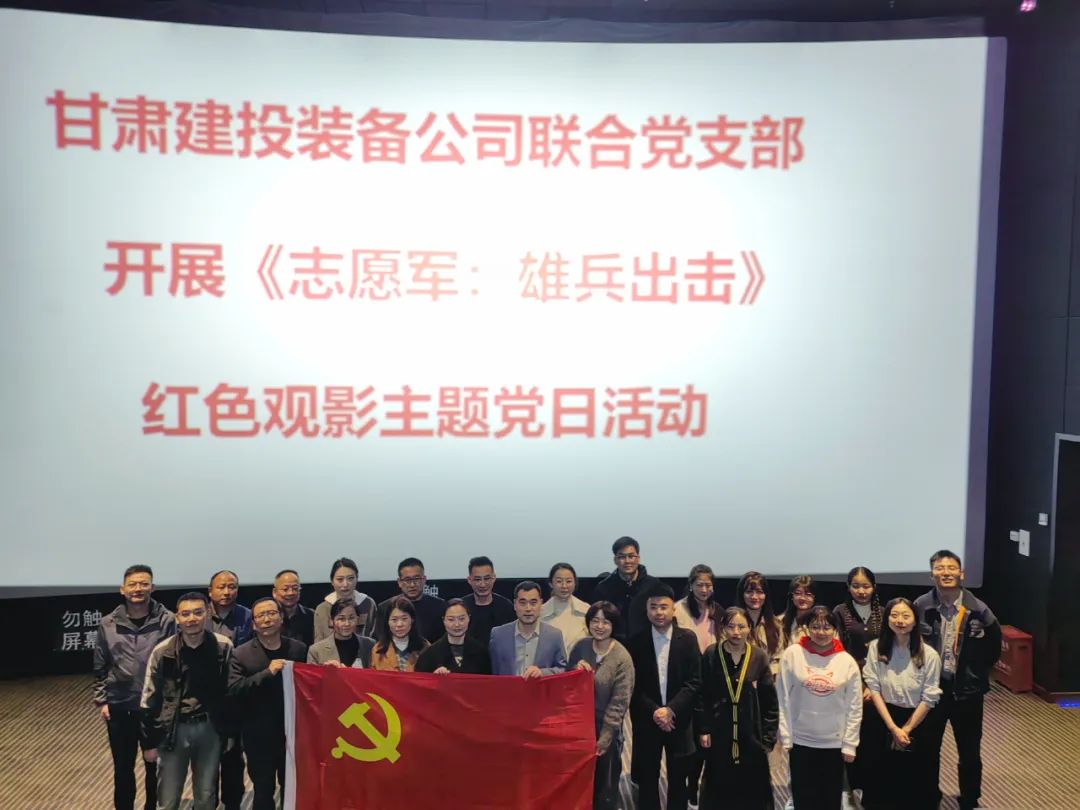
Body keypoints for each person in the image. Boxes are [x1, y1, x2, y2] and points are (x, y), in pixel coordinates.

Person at [914, 550, 1001, 810]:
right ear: (931, 574)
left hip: (967, 691)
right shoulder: (920, 606)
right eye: (940, 568)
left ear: (961, 573)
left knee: (969, 751)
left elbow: (994, 647)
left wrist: (976, 673)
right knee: (928, 749)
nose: (946, 573)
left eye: (951, 568)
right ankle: (929, 796)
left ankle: (970, 799)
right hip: (932, 690)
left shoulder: (978, 609)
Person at [93, 564, 176, 810]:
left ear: (153, 587)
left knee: (156, 767)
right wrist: (103, 701)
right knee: (123, 768)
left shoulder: (168, 620)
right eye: (133, 584)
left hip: (155, 706)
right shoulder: (108, 623)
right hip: (120, 705)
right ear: (123, 589)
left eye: (144, 584)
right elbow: (100, 664)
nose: (138, 588)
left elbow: (174, 664)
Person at [140, 592, 233, 810]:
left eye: (198, 613)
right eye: (186, 614)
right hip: (173, 729)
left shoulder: (223, 646)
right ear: (177, 617)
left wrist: (229, 732)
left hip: (210, 727)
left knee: (206, 795)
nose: (192, 619)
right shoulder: (162, 651)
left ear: (207, 613)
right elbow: (148, 698)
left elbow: (231, 692)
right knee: (168, 797)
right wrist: (149, 743)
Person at [777, 606, 862, 810]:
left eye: (827, 627)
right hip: (800, 740)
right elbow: (782, 697)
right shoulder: (793, 654)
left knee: (830, 800)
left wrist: (850, 743)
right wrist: (786, 736)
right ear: (806, 628)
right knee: (803, 799)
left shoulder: (846, 661)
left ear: (835, 630)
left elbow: (854, 705)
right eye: (815, 627)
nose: (821, 632)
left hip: (834, 743)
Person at [861, 598, 942, 810]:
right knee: (881, 778)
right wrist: (892, 727)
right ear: (887, 619)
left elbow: (929, 697)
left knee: (916, 780)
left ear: (915, 621)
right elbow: (874, 688)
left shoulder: (930, 655)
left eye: (906, 616)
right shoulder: (876, 648)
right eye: (894, 615)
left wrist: (905, 729)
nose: (900, 621)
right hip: (884, 717)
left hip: (917, 720)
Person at [627, 583, 702, 810]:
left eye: (664, 607)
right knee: (648, 778)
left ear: (673, 609)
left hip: (679, 719)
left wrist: (670, 710)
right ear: (646, 610)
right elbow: (633, 685)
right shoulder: (636, 641)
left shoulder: (687, 639)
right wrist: (656, 712)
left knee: (678, 779)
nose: (659, 612)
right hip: (647, 719)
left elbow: (694, 681)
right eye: (653, 607)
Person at [228, 597, 307, 810]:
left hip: (292, 733)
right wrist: (267, 673)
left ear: (281, 618)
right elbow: (235, 690)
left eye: (272, 613)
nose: (267, 619)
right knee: (263, 790)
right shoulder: (241, 654)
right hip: (258, 735)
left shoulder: (299, 650)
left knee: (292, 788)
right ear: (254, 624)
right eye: (261, 615)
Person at [696, 607, 777, 810]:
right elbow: (702, 694)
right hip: (719, 734)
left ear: (750, 627)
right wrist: (704, 728)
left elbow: (770, 702)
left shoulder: (758, 656)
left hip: (751, 736)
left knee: (752, 793)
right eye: (731, 626)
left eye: (741, 626)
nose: (736, 632)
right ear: (723, 628)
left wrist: (767, 739)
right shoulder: (712, 654)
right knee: (718, 789)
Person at [569, 601, 635, 810]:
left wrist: (605, 737)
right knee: (578, 785)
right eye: (595, 621)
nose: (599, 626)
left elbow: (619, 704)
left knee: (604, 788)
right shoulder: (580, 647)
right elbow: (566, 683)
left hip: (606, 731)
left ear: (614, 625)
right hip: (578, 728)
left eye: (606, 622)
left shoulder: (622, 658)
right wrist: (575, 670)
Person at [833, 566, 885, 806]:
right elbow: (838, 650)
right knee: (851, 737)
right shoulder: (839, 612)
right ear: (848, 587)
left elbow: (887, 650)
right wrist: (859, 684)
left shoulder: (883, 613)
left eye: (866, 586)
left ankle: (872, 791)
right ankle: (850, 791)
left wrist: (872, 685)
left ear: (874, 587)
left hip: (878, 685)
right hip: (849, 684)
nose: (861, 591)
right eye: (856, 586)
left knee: (874, 739)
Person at [672, 564, 719, 807]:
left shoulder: (717, 611)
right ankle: (687, 790)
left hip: (711, 680)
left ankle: (700, 789)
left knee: (707, 739)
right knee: (688, 741)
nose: (704, 589)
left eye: (708, 585)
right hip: (686, 680)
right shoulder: (677, 610)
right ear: (690, 585)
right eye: (699, 584)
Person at [205, 571, 250, 810]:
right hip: (205, 699)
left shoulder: (247, 616)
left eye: (231, 587)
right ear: (210, 591)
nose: (226, 592)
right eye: (221, 587)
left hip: (236, 698)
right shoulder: (199, 615)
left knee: (233, 757)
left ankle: (233, 803)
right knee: (207, 759)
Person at [489, 581, 568, 677]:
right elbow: (494, 672)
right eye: (523, 603)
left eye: (533, 603)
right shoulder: (498, 635)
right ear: (515, 605)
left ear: (541, 604)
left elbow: (564, 669)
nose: (528, 608)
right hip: (509, 686)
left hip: (541, 686)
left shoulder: (554, 635)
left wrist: (543, 673)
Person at [592, 536, 661, 641]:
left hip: (647, 645)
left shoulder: (654, 586)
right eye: (622, 557)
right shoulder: (603, 588)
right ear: (615, 560)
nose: (627, 561)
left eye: (631, 556)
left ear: (638, 558)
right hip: (613, 645)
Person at [377, 557, 447, 643]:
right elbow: (381, 640)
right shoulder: (385, 607)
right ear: (399, 582)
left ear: (424, 580)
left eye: (416, 579)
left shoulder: (439, 606)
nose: (412, 585)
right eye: (407, 580)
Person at [416, 598, 492, 674]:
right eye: (451, 619)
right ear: (443, 620)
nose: (457, 624)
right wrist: (434, 677)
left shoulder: (481, 652)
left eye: (461, 619)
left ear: (469, 618)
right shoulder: (429, 654)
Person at [313, 557, 378, 642]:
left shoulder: (368, 603)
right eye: (340, 579)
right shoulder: (323, 609)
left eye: (350, 578)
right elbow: (319, 640)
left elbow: (374, 636)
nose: (345, 584)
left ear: (357, 578)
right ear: (332, 581)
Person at [734, 571, 782, 673]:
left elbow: (779, 658)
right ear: (742, 594)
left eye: (759, 592)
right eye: (749, 592)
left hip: (769, 678)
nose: (754, 597)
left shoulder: (776, 624)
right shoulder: (731, 623)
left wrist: (766, 677)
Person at [306, 600, 377, 668]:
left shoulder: (370, 645)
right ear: (331, 621)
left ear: (358, 620)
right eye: (341, 619)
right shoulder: (316, 650)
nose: (347, 624)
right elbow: (312, 676)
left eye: (351, 618)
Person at [540, 561, 590, 658]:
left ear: (575, 583)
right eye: (559, 581)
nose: (564, 586)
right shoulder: (540, 613)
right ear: (551, 584)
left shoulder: (586, 610)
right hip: (550, 666)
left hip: (580, 664)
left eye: (569, 581)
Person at [462, 555, 515, 645]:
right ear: (469, 580)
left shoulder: (506, 607)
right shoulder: (461, 607)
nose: (483, 584)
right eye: (477, 579)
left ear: (493, 578)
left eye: (487, 579)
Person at [371, 595, 429, 672]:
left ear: (412, 620)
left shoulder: (425, 647)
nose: (399, 624)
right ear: (387, 622)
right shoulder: (378, 649)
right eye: (394, 620)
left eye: (404, 619)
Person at [272, 569, 315, 647]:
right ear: (274, 592)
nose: (290, 593)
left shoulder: (311, 615)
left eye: (295, 588)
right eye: (285, 589)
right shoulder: (269, 617)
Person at [778, 574, 816, 649]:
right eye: (798, 593)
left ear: (814, 597)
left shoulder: (820, 622)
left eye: (808, 594)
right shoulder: (780, 621)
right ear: (791, 596)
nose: (802, 598)